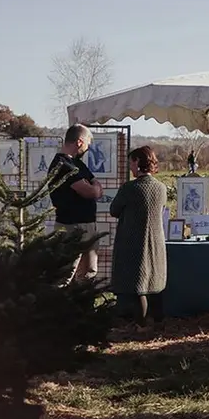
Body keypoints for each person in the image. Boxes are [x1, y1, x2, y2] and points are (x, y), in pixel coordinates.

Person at [110, 146, 168, 327]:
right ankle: (158, 324)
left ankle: (141, 326)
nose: (130, 167)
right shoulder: (161, 188)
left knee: (138, 285)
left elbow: (114, 210)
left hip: (134, 241)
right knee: (155, 283)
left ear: (137, 162)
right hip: (156, 241)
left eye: (131, 163)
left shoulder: (129, 188)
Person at [48, 125, 104, 283]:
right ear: (79, 142)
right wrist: (94, 189)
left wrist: (94, 188)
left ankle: (84, 306)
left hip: (88, 226)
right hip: (71, 227)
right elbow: (91, 192)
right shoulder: (63, 165)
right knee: (65, 274)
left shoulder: (79, 164)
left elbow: (97, 186)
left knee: (88, 273)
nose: (87, 149)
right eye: (87, 144)